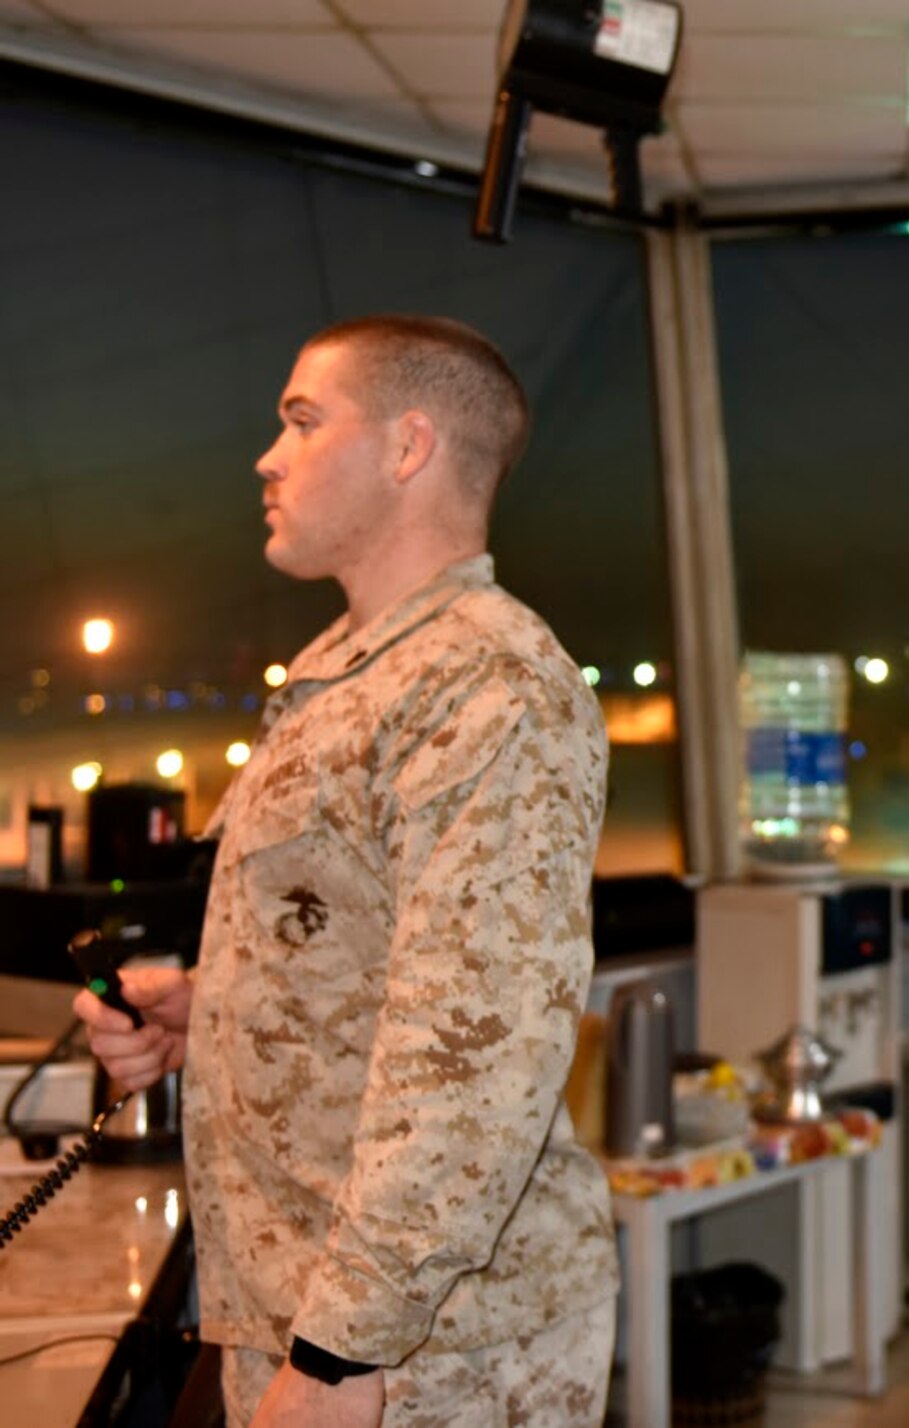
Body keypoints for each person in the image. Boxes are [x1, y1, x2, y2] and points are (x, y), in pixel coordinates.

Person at [74, 315, 617, 1428]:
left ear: (408, 446)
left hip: (426, 1350)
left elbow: (478, 1050)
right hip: (298, 1308)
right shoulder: (341, 671)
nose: (268, 458)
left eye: (302, 420)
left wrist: (338, 1357)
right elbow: (355, 948)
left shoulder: (492, 685)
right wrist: (207, 1009)